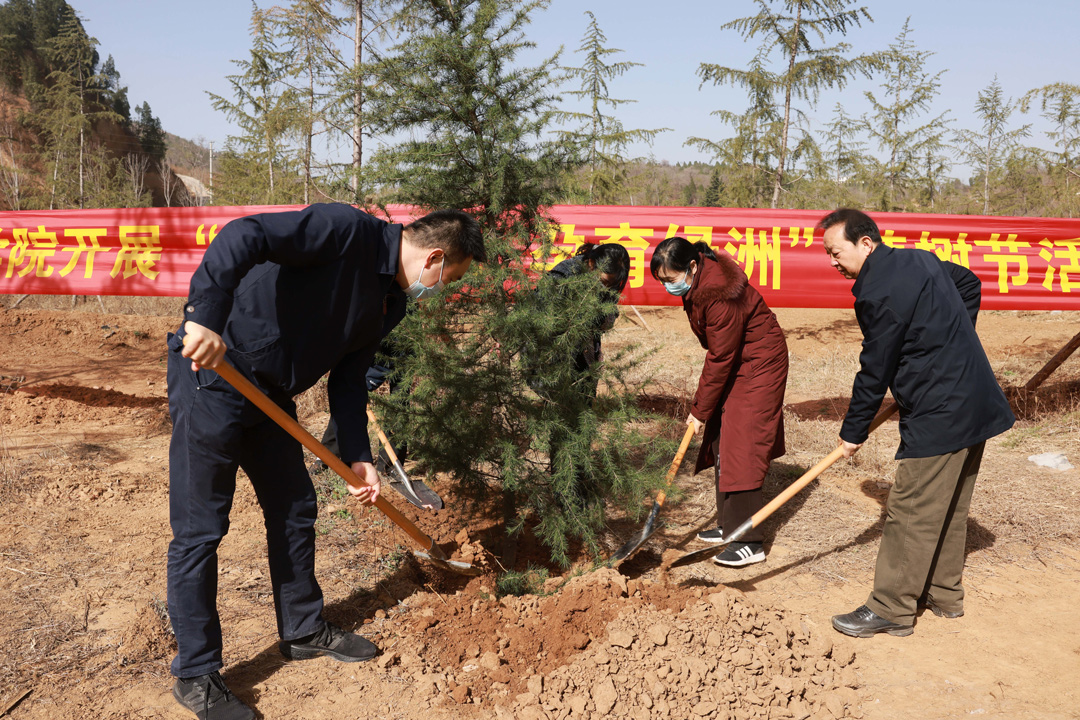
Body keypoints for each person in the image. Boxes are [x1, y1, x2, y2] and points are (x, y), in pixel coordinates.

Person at [167, 203, 484, 719]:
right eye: (450, 277)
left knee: (295, 509)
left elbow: (348, 377)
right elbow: (243, 234)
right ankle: (196, 673)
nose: (442, 289)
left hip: (272, 398)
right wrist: (203, 316)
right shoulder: (345, 231)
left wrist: (358, 455)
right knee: (200, 529)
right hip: (216, 376)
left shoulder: (391, 302)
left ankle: (303, 629)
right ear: (434, 258)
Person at [819, 208, 1014, 639]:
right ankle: (944, 594)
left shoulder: (877, 292)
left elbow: (875, 370)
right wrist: (952, 341)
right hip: (974, 397)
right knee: (949, 506)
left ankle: (890, 607)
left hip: (941, 410)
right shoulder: (919, 258)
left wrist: (852, 432)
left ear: (865, 243)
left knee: (910, 510)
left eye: (836, 253)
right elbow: (968, 282)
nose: (832, 262)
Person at [650, 237, 788, 567]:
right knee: (722, 437)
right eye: (663, 281)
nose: (669, 286)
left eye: (671, 279)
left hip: (759, 362)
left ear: (692, 267)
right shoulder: (699, 283)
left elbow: (720, 356)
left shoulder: (720, 293)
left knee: (743, 442)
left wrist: (698, 411)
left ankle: (748, 541)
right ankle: (729, 525)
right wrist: (704, 412)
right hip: (737, 357)